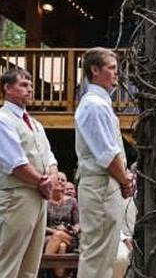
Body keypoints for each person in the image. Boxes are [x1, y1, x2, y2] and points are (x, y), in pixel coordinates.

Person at [0, 67, 60, 278]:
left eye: (30, 85)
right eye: (23, 85)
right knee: (8, 259)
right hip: (16, 196)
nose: (29, 89)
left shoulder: (35, 123)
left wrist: (51, 179)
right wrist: (42, 182)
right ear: (7, 88)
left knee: (30, 263)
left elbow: (50, 157)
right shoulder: (0, 121)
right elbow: (15, 163)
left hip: (39, 196)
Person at [75, 47, 135, 278]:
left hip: (108, 185)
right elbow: (106, 154)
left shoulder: (102, 104)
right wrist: (125, 179)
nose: (116, 73)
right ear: (95, 70)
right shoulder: (93, 105)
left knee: (110, 256)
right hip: (100, 186)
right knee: (97, 256)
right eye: (111, 68)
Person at [44, 172, 81, 266]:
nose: (60, 181)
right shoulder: (44, 201)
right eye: (57, 179)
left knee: (59, 236)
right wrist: (54, 231)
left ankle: (42, 270)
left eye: (63, 180)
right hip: (47, 236)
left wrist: (74, 229)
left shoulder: (72, 201)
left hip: (68, 236)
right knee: (61, 247)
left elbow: (78, 223)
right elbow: (40, 225)